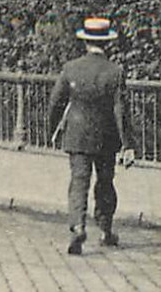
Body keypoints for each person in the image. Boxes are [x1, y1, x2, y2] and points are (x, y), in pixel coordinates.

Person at [50, 16, 137, 256]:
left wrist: (52, 129)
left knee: (79, 181)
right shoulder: (115, 71)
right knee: (105, 182)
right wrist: (128, 143)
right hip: (106, 137)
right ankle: (106, 230)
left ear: (85, 42)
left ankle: (77, 226)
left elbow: (56, 102)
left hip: (76, 135)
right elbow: (121, 110)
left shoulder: (71, 68)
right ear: (107, 43)